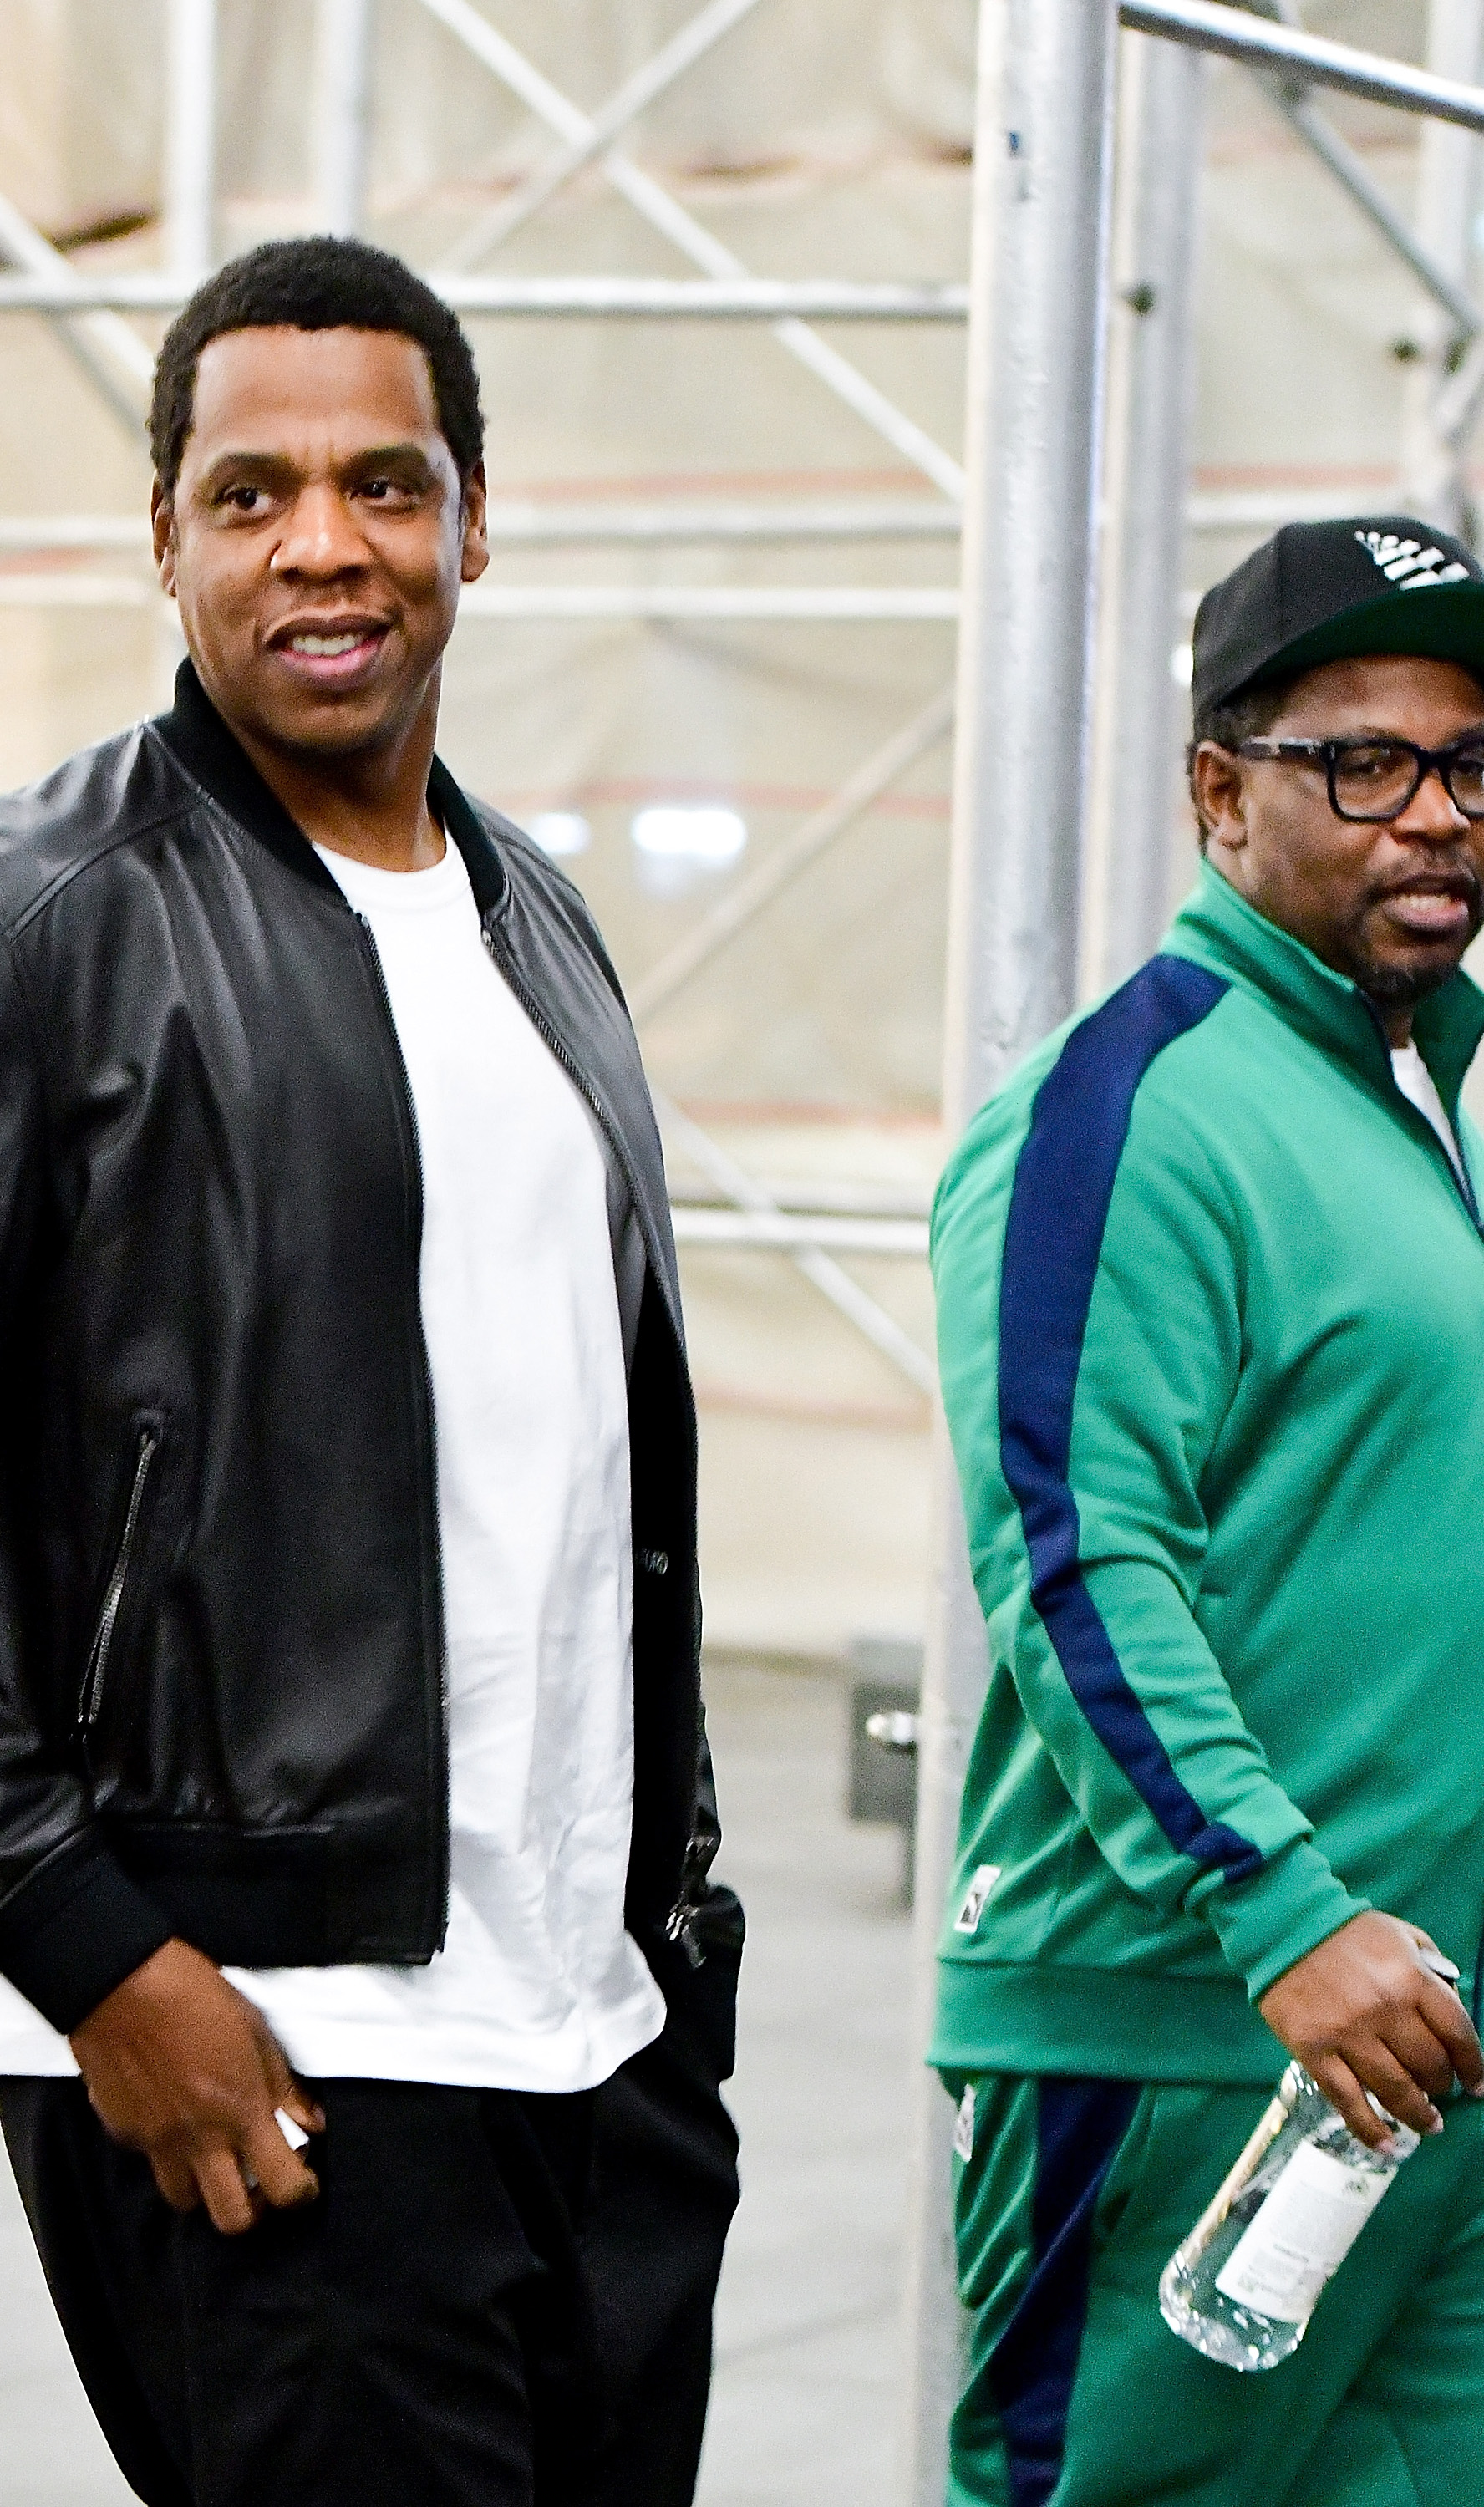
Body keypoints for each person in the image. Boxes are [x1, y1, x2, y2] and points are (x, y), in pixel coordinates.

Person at [0, 236, 743, 2507]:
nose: (324, 545)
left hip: (592, 2037)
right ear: (162, 535)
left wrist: (677, 1957)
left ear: (480, 519)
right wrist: (104, 1965)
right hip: (270, 2037)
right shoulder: (26, 930)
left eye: (385, 485)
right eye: (252, 491)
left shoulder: (531, 921)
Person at [928, 513, 1484, 2507]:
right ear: (1217, 793)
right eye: (1366, 761)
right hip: (1208, 2038)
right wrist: (1280, 1908)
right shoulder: (1135, 1104)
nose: (1434, 815)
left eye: (1474, 766)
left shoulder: (1412, 1108)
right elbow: (1077, 1554)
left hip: (1416, 2062)